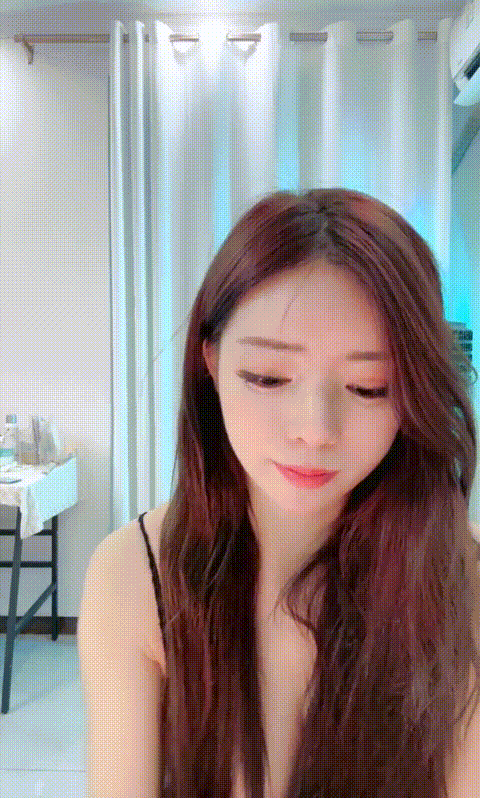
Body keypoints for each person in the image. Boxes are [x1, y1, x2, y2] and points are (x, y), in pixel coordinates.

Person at [77, 188, 480, 798]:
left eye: (369, 386)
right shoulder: (134, 574)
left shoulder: (462, 579)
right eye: (268, 377)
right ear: (211, 364)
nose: (315, 431)